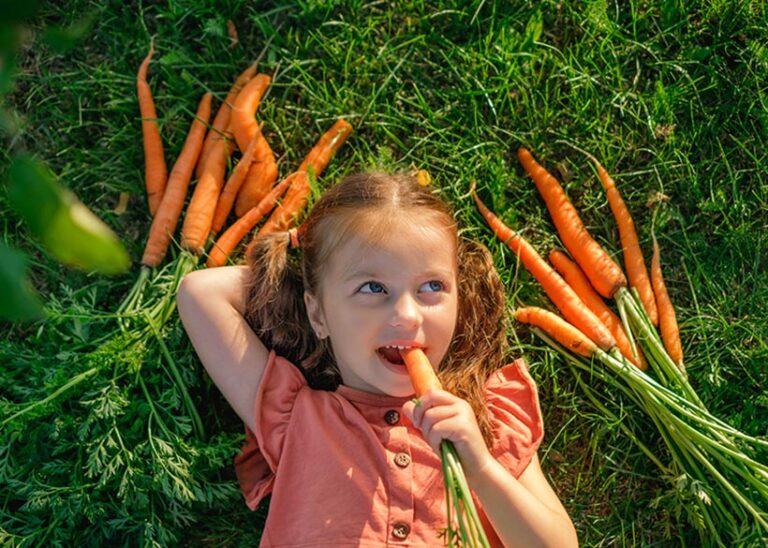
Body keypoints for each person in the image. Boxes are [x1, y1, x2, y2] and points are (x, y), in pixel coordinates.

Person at [177, 171, 578, 547]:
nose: (406, 315)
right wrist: (308, 258)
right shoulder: (297, 418)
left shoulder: (485, 419)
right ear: (317, 314)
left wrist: (483, 470)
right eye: (373, 287)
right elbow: (200, 294)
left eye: (432, 286)